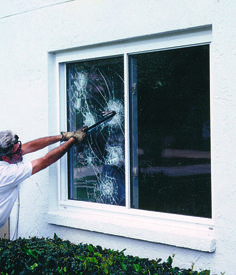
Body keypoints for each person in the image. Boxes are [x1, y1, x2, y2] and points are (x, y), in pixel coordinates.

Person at [0, 127, 87, 228]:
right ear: (5, 158)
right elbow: (46, 160)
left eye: (19, 147)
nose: (22, 151)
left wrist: (63, 137)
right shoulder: (7, 174)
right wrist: (74, 139)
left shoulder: (6, 156)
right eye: (18, 151)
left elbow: (29, 146)